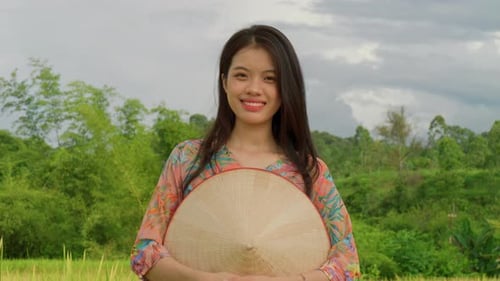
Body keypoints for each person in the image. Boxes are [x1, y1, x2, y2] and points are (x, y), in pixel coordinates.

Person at [130, 24, 360, 281]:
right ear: (224, 82)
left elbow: (347, 264)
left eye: (269, 78)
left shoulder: (310, 172)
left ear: (287, 88)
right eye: (241, 75)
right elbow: (144, 253)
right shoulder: (187, 159)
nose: (253, 88)